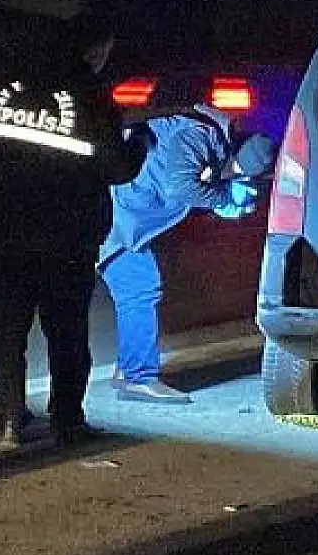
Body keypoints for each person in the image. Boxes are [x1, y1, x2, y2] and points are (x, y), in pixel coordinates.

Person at [0, 18, 146, 448]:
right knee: (66, 332)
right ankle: (66, 422)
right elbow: (117, 169)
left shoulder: (1, 86)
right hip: (65, 235)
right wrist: (140, 144)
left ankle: (11, 418)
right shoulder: (89, 94)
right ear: (93, 51)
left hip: (0, 230)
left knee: (7, 329)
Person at [98, 103, 276, 403]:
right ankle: (138, 377)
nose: (231, 177)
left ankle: (130, 369)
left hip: (120, 213)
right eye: (236, 172)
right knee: (141, 288)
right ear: (235, 153)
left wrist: (222, 195)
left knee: (138, 288)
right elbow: (180, 188)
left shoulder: (206, 137)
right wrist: (222, 199)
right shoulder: (200, 135)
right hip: (114, 214)